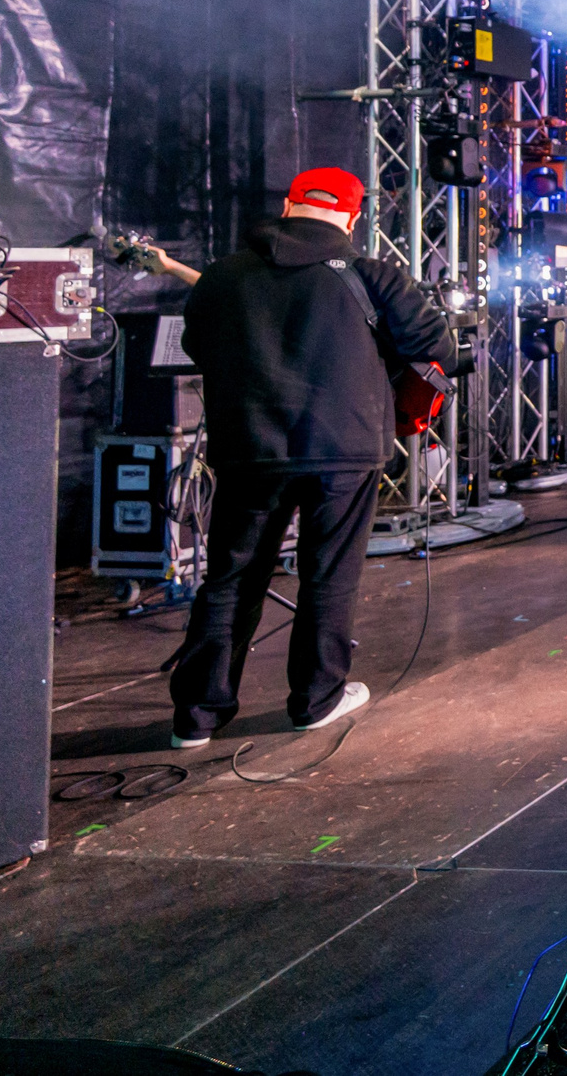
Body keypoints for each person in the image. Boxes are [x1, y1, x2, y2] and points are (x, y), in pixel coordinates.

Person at [169, 168, 453, 746]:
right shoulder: (372, 275)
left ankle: (196, 717)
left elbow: (195, 344)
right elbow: (438, 347)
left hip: (249, 449)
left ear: (290, 205)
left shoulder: (223, 277)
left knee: (230, 579)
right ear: (352, 217)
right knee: (327, 576)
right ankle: (315, 700)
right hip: (343, 451)